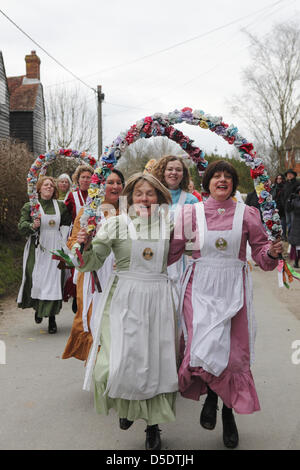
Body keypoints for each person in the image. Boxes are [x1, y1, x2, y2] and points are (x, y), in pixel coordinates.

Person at [168, 160, 282, 449]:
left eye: (227, 176)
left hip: (234, 288)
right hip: (200, 287)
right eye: (216, 175)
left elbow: (260, 254)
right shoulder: (189, 213)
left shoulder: (248, 214)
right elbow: (171, 252)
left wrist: (270, 251)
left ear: (233, 183)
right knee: (203, 347)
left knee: (232, 355)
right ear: (206, 182)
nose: (222, 179)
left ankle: (227, 412)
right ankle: (211, 395)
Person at [76, 173, 178, 451]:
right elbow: (91, 262)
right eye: (139, 194)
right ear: (129, 198)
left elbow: (187, 257)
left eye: (151, 194)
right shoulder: (115, 225)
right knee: (115, 364)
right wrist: (85, 246)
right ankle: (125, 405)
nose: (145, 198)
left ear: (160, 198)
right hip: (123, 299)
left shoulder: (169, 226)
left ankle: (152, 426)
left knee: (153, 365)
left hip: (158, 301)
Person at [62, 169, 125, 361]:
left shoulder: (129, 211)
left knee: (119, 321)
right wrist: (81, 245)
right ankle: (97, 367)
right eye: (110, 182)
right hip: (94, 273)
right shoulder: (88, 211)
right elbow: (72, 241)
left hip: (120, 273)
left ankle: (116, 366)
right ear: (101, 186)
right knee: (94, 319)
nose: (114, 186)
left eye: (118, 183)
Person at [17, 176, 72, 334]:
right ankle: (38, 309)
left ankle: (52, 319)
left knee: (55, 281)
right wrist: (31, 225)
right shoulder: (31, 206)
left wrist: (64, 238)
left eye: (51, 186)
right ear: (39, 188)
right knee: (37, 279)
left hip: (56, 247)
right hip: (38, 248)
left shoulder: (60, 206)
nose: (49, 187)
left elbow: (68, 222)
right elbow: (21, 227)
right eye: (46, 185)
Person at [152, 155, 198, 310]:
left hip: (180, 260)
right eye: (169, 169)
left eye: (178, 170)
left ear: (183, 174)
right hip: (154, 255)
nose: (174, 173)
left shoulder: (191, 200)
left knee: (178, 303)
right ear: (162, 172)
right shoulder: (152, 197)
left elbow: (197, 233)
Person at [64, 164, 94, 310]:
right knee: (75, 266)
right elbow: (65, 213)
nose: (86, 180)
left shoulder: (96, 195)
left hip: (92, 234)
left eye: (89, 177)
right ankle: (77, 296)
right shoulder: (72, 196)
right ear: (78, 179)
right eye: (83, 177)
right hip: (76, 234)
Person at [282, 169, 298, 238]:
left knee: (293, 222)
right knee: (288, 222)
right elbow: (283, 195)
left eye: (291, 174)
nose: (289, 175)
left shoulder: (297, 183)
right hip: (286, 206)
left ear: (294, 175)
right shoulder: (285, 184)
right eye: (288, 174)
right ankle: (289, 236)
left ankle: (293, 236)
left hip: (294, 206)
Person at [287, 184, 300, 268]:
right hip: (296, 224)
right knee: (297, 245)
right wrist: (289, 200)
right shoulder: (295, 200)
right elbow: (288, 209)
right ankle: (296, 261)